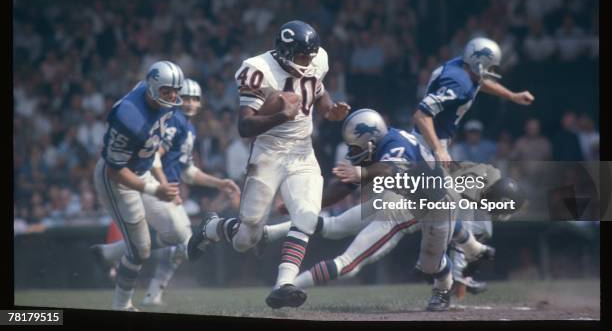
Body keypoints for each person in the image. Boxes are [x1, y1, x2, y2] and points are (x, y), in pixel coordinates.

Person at [258, 109, 515, 311]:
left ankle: (443, 288)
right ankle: (271, 240)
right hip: (401, 200)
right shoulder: (380, 143)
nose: (352, 152)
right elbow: (344, 188)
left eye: (356, 146)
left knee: (427, 265)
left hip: (430, 206)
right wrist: (307, 205)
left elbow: (391, 169)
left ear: (370, 139)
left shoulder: (393, 145)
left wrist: (364, 172)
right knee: (336, 227)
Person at [187, 20, 351, 309]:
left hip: (302, 151)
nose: (309, 60)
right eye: (303, 55)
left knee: (307, 216)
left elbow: (317, 88)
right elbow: (245, 126)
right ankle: (212, 228)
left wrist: (329, 108)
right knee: (245, 238)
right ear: (286, 53)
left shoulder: (317, 58)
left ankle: (283, 285)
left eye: (311, 54)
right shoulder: (256, 70)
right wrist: (280, 115)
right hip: (268, 153)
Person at [92, 79, 240, 306]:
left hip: (162, 186)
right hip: (153, 183)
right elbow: (155, 154)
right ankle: (147, 291)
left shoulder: (187, 126)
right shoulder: (174, 120)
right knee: (180, 241)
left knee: (180, 239)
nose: (190, 102)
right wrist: (163, 185)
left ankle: (117, 258)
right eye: (187, 98)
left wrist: (219, 183)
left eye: (195, 98)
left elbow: (188, 171)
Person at [410, 37, 534, 305]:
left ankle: (458, 268)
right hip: (428, 151)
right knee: (457, 215)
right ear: (477, 62)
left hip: (434, 148)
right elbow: (421, 115)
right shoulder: (460, 82)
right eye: (488, 67)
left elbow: (481, 83)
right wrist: (439, 150)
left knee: (469, 210)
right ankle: (448, 275)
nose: (489, 73)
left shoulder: (462, 68)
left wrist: (511, 95)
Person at [92, 60, 186, 311]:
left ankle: (111, 252)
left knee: (177, 233)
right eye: (167, 91)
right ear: (152, 88)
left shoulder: (163, 104)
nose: (174, 96)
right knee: (140, 251)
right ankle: (121, 306)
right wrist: (155, 189)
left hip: (142, 171)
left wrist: (162, 181)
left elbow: (151, 147)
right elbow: (115, 170)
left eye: (176, 90)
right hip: (118, 179)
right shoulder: (129, 116)